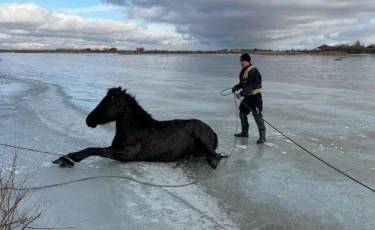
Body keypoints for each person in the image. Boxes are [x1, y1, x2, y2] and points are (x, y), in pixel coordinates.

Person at [232, 53, 266, 143]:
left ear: (247, 61)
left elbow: (251, 85)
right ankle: (244, 132)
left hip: (256, 97)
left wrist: (241, 94)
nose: (241, 62)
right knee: (242, 113)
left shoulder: (254, 71)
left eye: (242, 61)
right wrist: (236, 87)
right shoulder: (244, 71)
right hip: (248, 97)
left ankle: (262, 136)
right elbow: (243, 84)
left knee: (257, 116)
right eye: (240, 61)